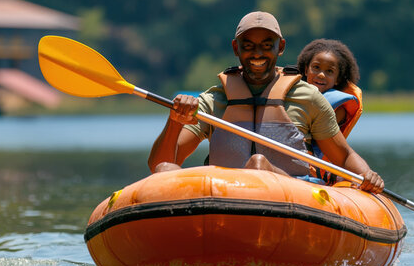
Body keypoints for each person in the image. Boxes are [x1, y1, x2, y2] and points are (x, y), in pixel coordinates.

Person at [147, 11, 384, 193]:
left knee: (258, 164)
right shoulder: (214, 100)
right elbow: (162, 163)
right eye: (248, 46)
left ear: (280, 47)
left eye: (266, 45)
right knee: (165, 170)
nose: (257, 54)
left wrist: (367, 175)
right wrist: (175, 121)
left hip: (292, 196)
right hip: (222, 196)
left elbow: (342, 157)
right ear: (235, 48)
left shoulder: (307, 98)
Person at [297, 39, 364, 184]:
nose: (321, 75)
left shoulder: (337, 108)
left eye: (329, 71)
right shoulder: (293, 94)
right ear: (305, 69)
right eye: (316, 67)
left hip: (314, 171)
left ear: (338, 79)